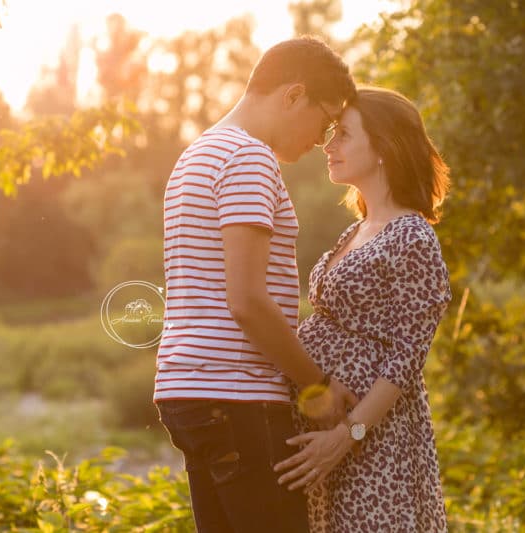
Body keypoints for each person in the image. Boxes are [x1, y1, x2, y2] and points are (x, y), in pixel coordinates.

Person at [154, 37, 358, 533]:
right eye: (324, 119)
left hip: (189, 389)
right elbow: (246, 301)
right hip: (235, 396)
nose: (320, 139)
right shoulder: (249, 159)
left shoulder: (197, 154)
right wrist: (319, 387)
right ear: (293, 95)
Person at [274, 87, 453, 532]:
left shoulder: (411, 235)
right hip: (333, 437)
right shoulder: (358, 229)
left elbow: (406, 359)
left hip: (374, 442)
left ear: (383, 147)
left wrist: (348, 434)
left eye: (344, 135)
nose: (327, 145)